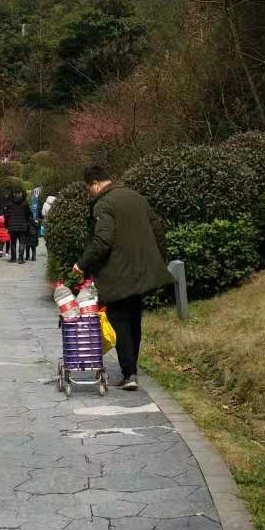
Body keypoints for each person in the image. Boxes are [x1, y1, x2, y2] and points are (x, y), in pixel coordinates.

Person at [75, 164, 171, 389]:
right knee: (134, 319)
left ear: (95, 184)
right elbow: (158, 230)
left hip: (117, 272)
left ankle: (129, 374)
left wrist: (82, 263)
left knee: (119, 320)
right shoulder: (137, 197)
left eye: (88, 188)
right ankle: (132, 368)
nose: (89, 192)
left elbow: (103, 240)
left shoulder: (103, 204)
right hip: (140, 271)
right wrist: (158, 260)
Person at [4, 187, 32, 263]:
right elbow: (29, 214)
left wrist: (6, 225)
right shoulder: (25, 203)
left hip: (12, 226)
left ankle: (13, 258)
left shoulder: (9, 203)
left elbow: (6, 216)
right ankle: (20, 258)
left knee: (13, 243)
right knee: (22, 242)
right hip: (23, 225)